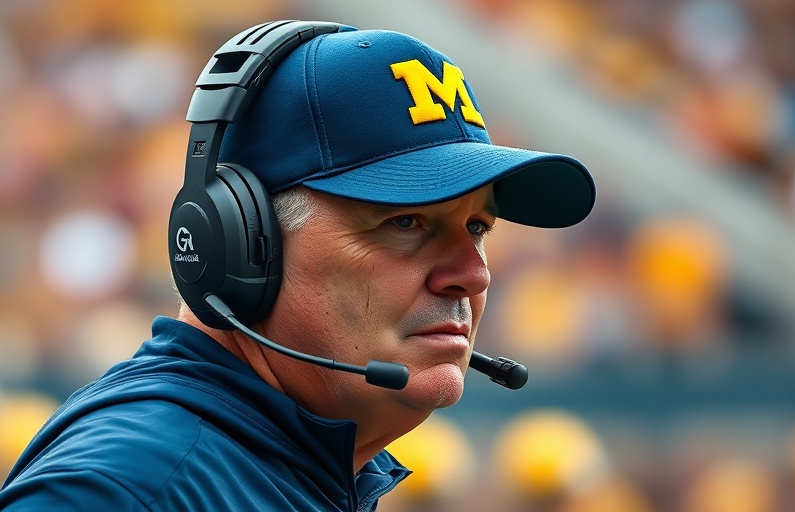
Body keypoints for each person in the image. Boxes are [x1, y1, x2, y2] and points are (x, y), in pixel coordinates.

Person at [0, 20, 595, 511]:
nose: (474, 273)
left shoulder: (286, 469)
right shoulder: (126, 489)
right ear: (241, 244)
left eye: (477, 228)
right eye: (407, 223)